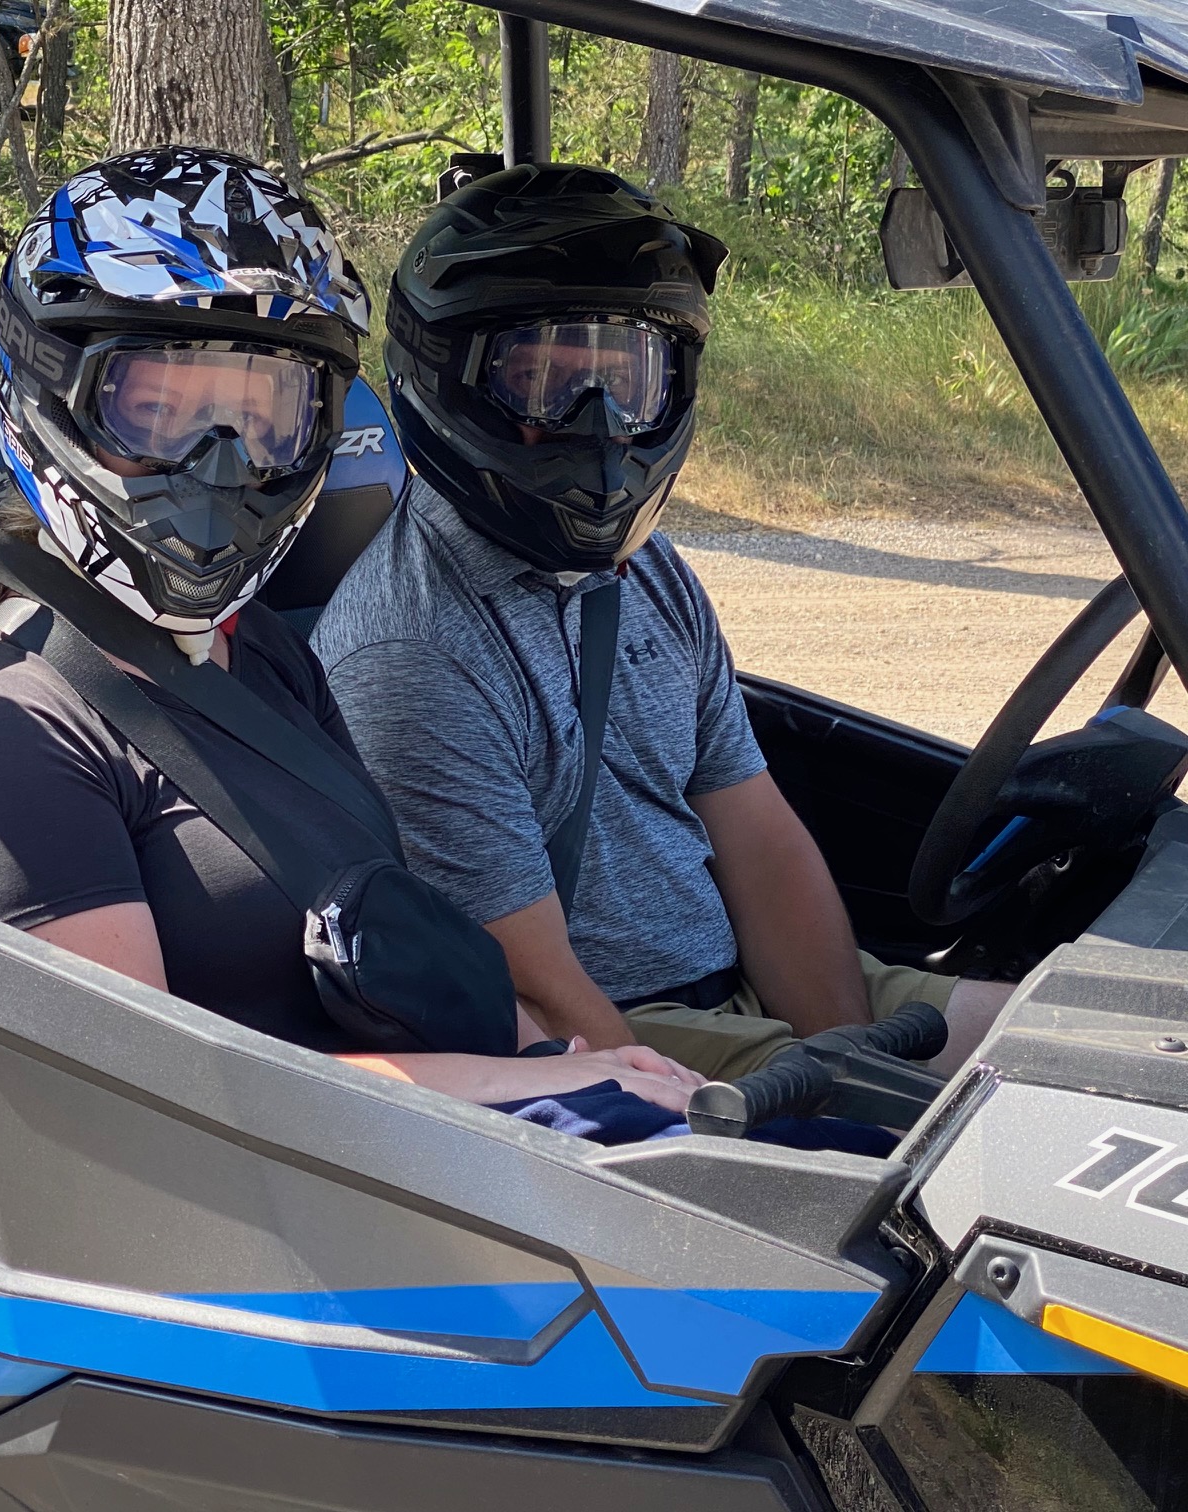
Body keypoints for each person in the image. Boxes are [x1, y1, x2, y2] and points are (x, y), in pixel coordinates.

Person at [0, 147, 706, 1122]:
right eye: (160, 412)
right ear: (51, 390)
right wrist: (530, 1084)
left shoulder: (256, 647)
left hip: (417, 1152)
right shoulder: (16, 716)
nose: (221, 466)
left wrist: (569, 1059)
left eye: (264, 419)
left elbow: (390, 945)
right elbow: (132, 1099)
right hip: (278, 1219)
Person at [311, 164, 1010, 1083]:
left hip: (747, 994)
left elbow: (757, 834)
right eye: (543, 383)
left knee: (1091, 1049)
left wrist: (845, 1048)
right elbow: (548, 995)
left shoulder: (651, 574)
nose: (598, 426)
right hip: (632, 1038)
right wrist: (845, 1098)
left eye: (624, 383)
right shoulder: (411, 646)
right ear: (449, 382)